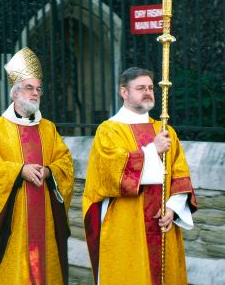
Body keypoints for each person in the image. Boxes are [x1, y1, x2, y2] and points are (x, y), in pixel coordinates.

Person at [0, 47, 74, 285]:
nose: (35, 93)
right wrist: (19, 171)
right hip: (12, 227)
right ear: (15, 94)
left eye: (38, 89)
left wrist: (48, 171)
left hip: (43, 221)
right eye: (29, 87)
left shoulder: (48, 128)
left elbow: (65, 162)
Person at [83, 67, 197, 285]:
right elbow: (110, 174)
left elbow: (180, 174)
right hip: (126, 223)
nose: (147, 92)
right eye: (140, 88)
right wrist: (152, 151)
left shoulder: (165, 130)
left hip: (162, 222)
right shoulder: (108, 130)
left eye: (150, 88)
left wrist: (172, 209)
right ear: (124, 92)